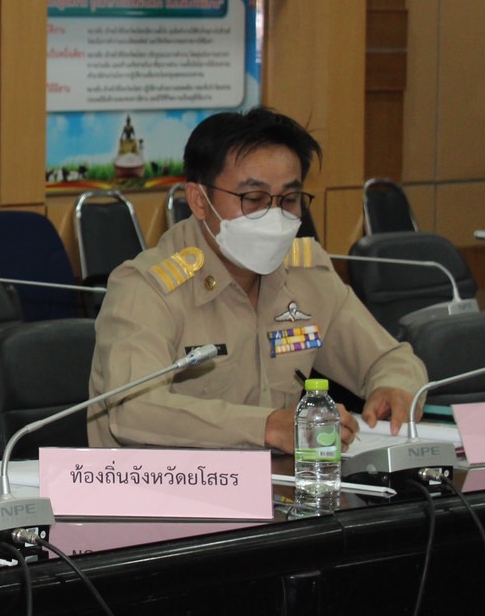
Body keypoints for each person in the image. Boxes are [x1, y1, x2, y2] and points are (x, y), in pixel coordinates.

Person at [88, 107, 426, 453]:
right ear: (199, 200)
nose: (274, 215)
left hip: (282, 492)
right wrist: (266, 426)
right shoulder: (147, 288)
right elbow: (133, 410)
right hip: (165, 494)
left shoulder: (308, 277)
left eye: (289, 199)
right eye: (254, 199)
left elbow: (389, 359)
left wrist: (394, 387)